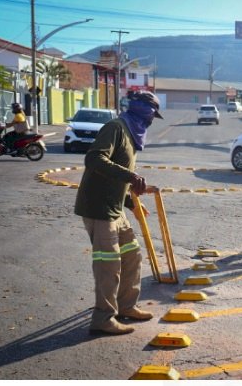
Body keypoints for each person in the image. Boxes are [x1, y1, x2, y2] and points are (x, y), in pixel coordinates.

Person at [74, 90, 164, 336]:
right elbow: (94, 159)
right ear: (140, 109)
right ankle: (103, 319)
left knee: (132, 255)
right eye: (152, 113)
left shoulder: (131, 133)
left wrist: (130, 202)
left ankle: (127, 306)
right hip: (99, 208)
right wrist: (131, 176)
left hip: (114, 207)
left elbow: (115, 178)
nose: (153, 119)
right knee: (108, 265)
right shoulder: (115, 128)